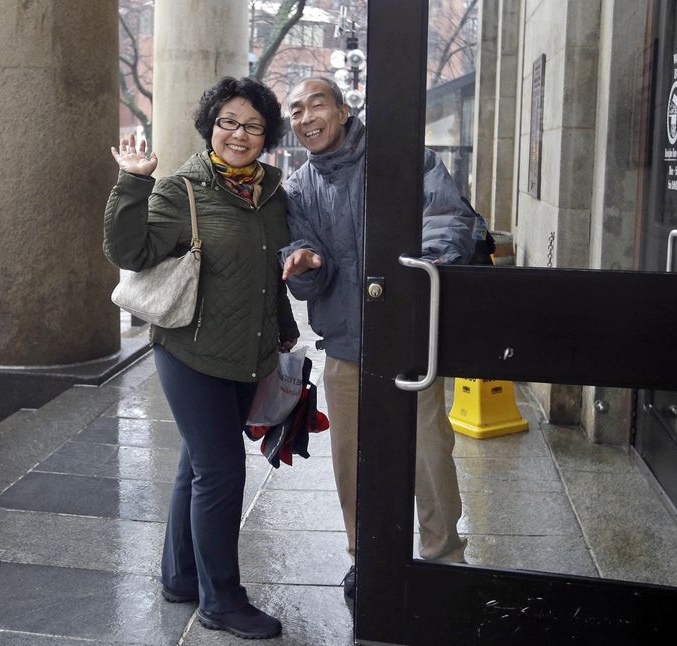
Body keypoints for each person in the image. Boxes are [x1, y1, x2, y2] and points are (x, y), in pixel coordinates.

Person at [103, 77, 298, 640]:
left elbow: (270, 271)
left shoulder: (270, 193)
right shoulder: (183, 189)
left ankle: (181, 576)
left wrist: (283, 330)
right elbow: (128, 251)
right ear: (211, 126)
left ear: (268, 135)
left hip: (248, 351)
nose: (239, 134)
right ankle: (223, 600)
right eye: (228, 122)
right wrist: (133, 184)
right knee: (220, 470)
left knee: (197, 463)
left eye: (253, 125)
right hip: (189, 350)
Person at [280, 78, 485, 601]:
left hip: (409, 340)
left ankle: (443, 557)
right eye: (295, 110)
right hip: (345, 345)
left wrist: (424, 275)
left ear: (344, 110)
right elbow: (305, 265)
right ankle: (363, 558)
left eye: (316, 104)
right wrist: (303, 264)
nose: (305, 118)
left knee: (428, 452)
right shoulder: (299, 187)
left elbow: (447, 220)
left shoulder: (405, 159)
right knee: (350, 458)